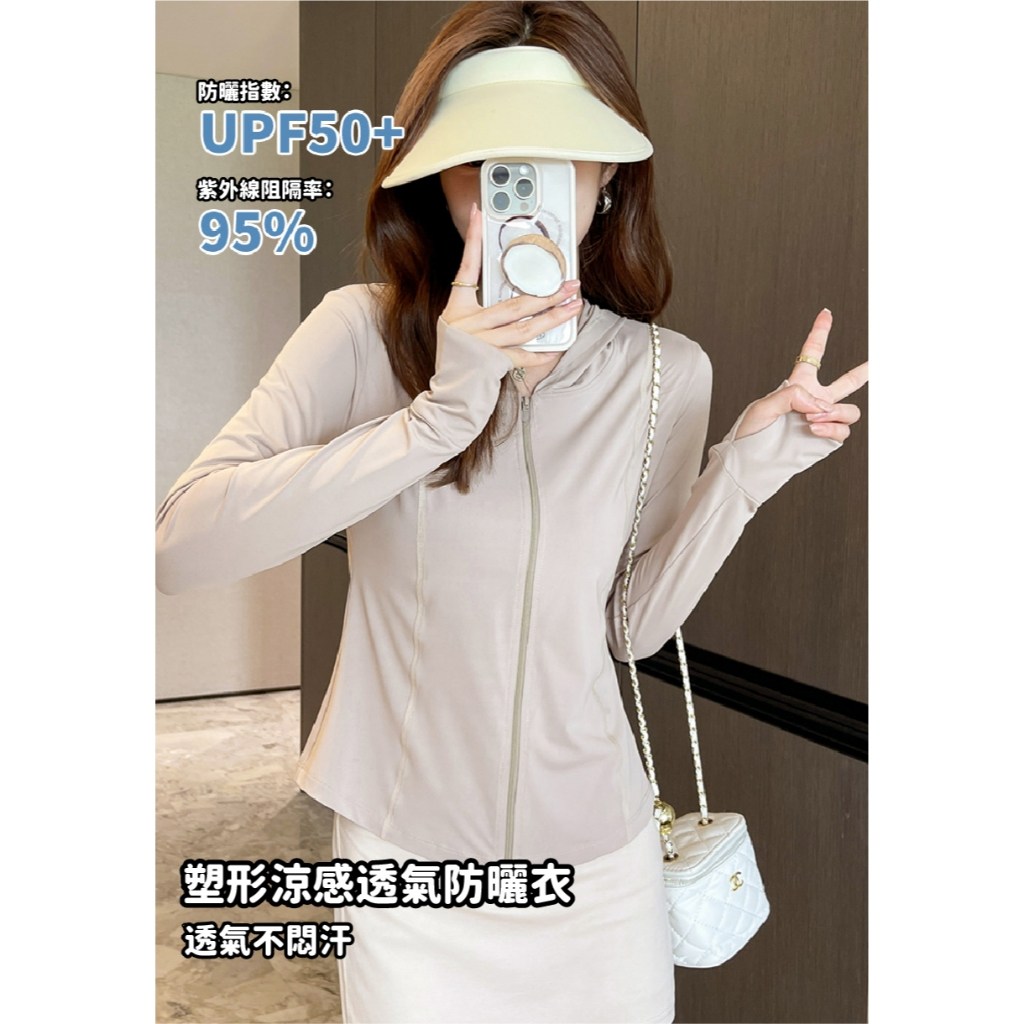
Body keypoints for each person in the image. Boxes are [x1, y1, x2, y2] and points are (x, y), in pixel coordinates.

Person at [155, 2, 867, 1021]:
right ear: (440, 179)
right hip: (408, 868)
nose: (519, 188)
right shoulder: (359, 333)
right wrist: (437, 418)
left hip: (599, 868)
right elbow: (181, 546)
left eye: (556, 154)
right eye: (485, 162)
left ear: (610, 173)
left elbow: (630, 625)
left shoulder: (665, 371)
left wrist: (745, 474)